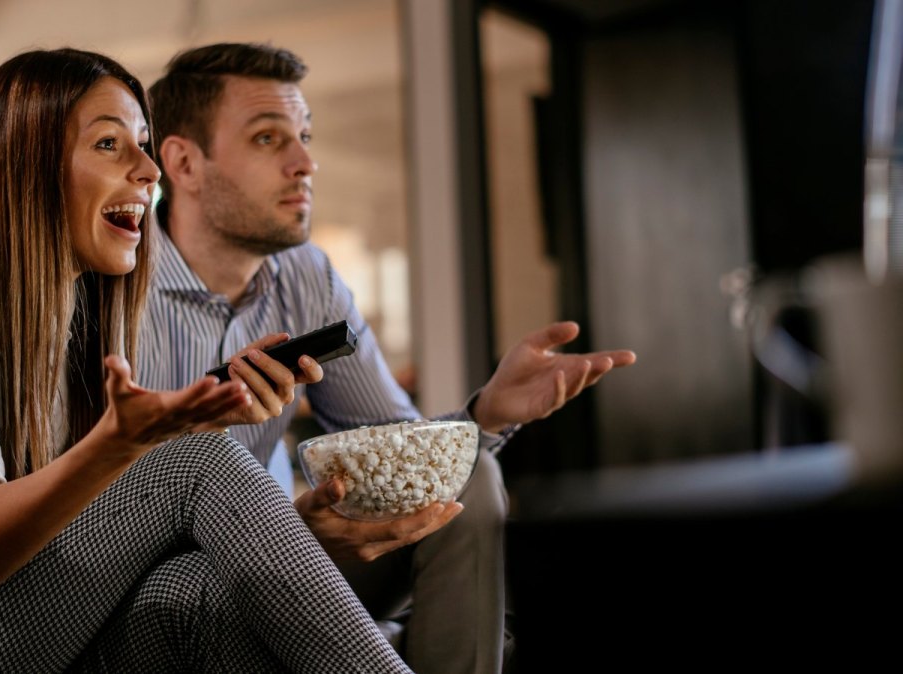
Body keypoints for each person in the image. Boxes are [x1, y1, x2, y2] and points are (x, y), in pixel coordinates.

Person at [0, 47, 415, 673]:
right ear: (28, 164)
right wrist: (125, 446)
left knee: (195, 592)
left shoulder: (72, 302)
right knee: (198, 460)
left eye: (143, 142)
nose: (148, 169)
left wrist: (218, 448)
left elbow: (85, 516)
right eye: (110, 144)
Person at [137, 42, 637, 674]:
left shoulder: (309, 277)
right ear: (183, 162)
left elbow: (393, 448)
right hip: (159, 581)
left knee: (468, 478)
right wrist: (282, 532)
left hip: (290, 554)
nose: (306, 162)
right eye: (269, 139)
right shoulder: (114, 283)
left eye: (306, 136)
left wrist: (485, 415)